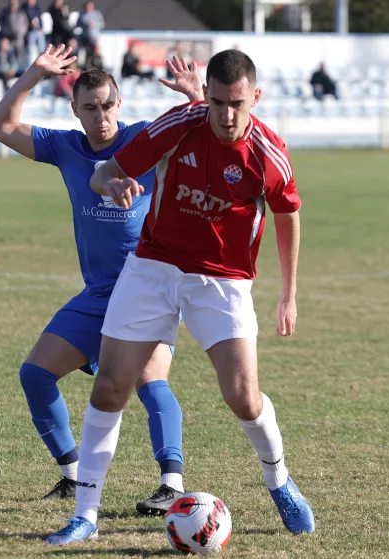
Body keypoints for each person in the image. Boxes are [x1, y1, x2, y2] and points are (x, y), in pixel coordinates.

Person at [45, 48, 316, 545]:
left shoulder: (268, 153)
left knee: (243, 397)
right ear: (205, 95)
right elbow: (103, 172)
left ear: (255, 97)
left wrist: (289, 293)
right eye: (217, 102)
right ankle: (85, 516)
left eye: (237, 104)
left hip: (222, 280)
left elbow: (288, 214)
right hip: (153, 267)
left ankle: (279, 481)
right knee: (110, 387)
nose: (226, 115)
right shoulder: (180, 123)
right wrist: (112, 185)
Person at [0, 44, 203, 512]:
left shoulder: (143, 139)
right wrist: (33, 75)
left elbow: (206, 135)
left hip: (148, 288)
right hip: (99, 294)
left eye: (107, 106)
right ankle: (72, 473)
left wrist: (195, 96)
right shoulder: (65, 147)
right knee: (35, 374)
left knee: (150, 380)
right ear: (75, 110)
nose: (101, 117)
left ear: (119, 104)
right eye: (90, 108)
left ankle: (172, 484)